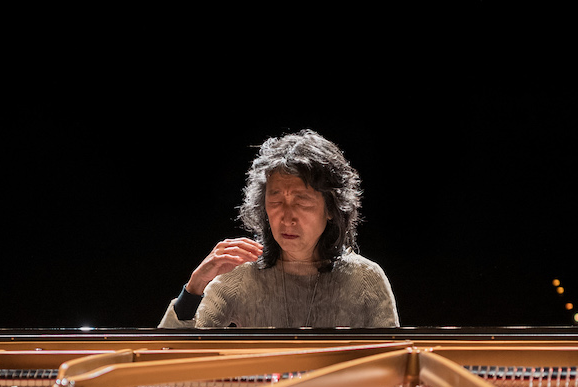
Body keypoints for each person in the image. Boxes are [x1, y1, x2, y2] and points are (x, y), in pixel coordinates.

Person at [158, 129, 399, 329]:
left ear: (331, 209)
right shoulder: (242, 277)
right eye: (275, 202)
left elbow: (394, 368)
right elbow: (169, 359)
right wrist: (194, 287)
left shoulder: (366, 279)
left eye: (301, 201)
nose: (287, 217)